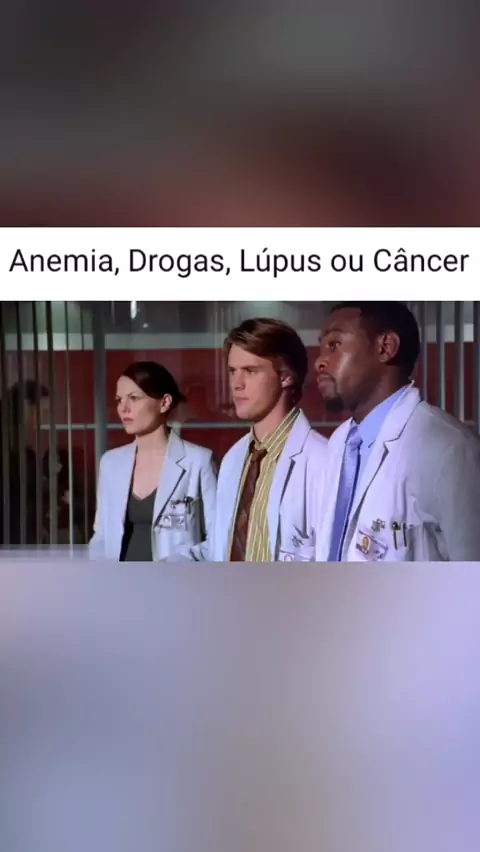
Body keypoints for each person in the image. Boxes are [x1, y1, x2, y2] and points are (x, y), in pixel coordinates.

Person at [315, 301, 480, 562]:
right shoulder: (339, 442)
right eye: (321, 347)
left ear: (386, 347)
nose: (319, 362)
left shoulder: (451, 449)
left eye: (334, 344)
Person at [208, 317, 327, 562]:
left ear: (285, 377)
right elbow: (219, 546)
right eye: (232, 371)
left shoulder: (323, 461)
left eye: (250, 371)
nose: (236, 384)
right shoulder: (233, 459)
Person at [89, 361, 217, 561]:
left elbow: (218, 539)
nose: (124, 408)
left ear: (164, 402)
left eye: (134, 398)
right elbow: (101, 536)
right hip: (118, 579)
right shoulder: (111, 463)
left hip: (175, 578)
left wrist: (178, 564)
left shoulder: (198, 461)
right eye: (119, 400)